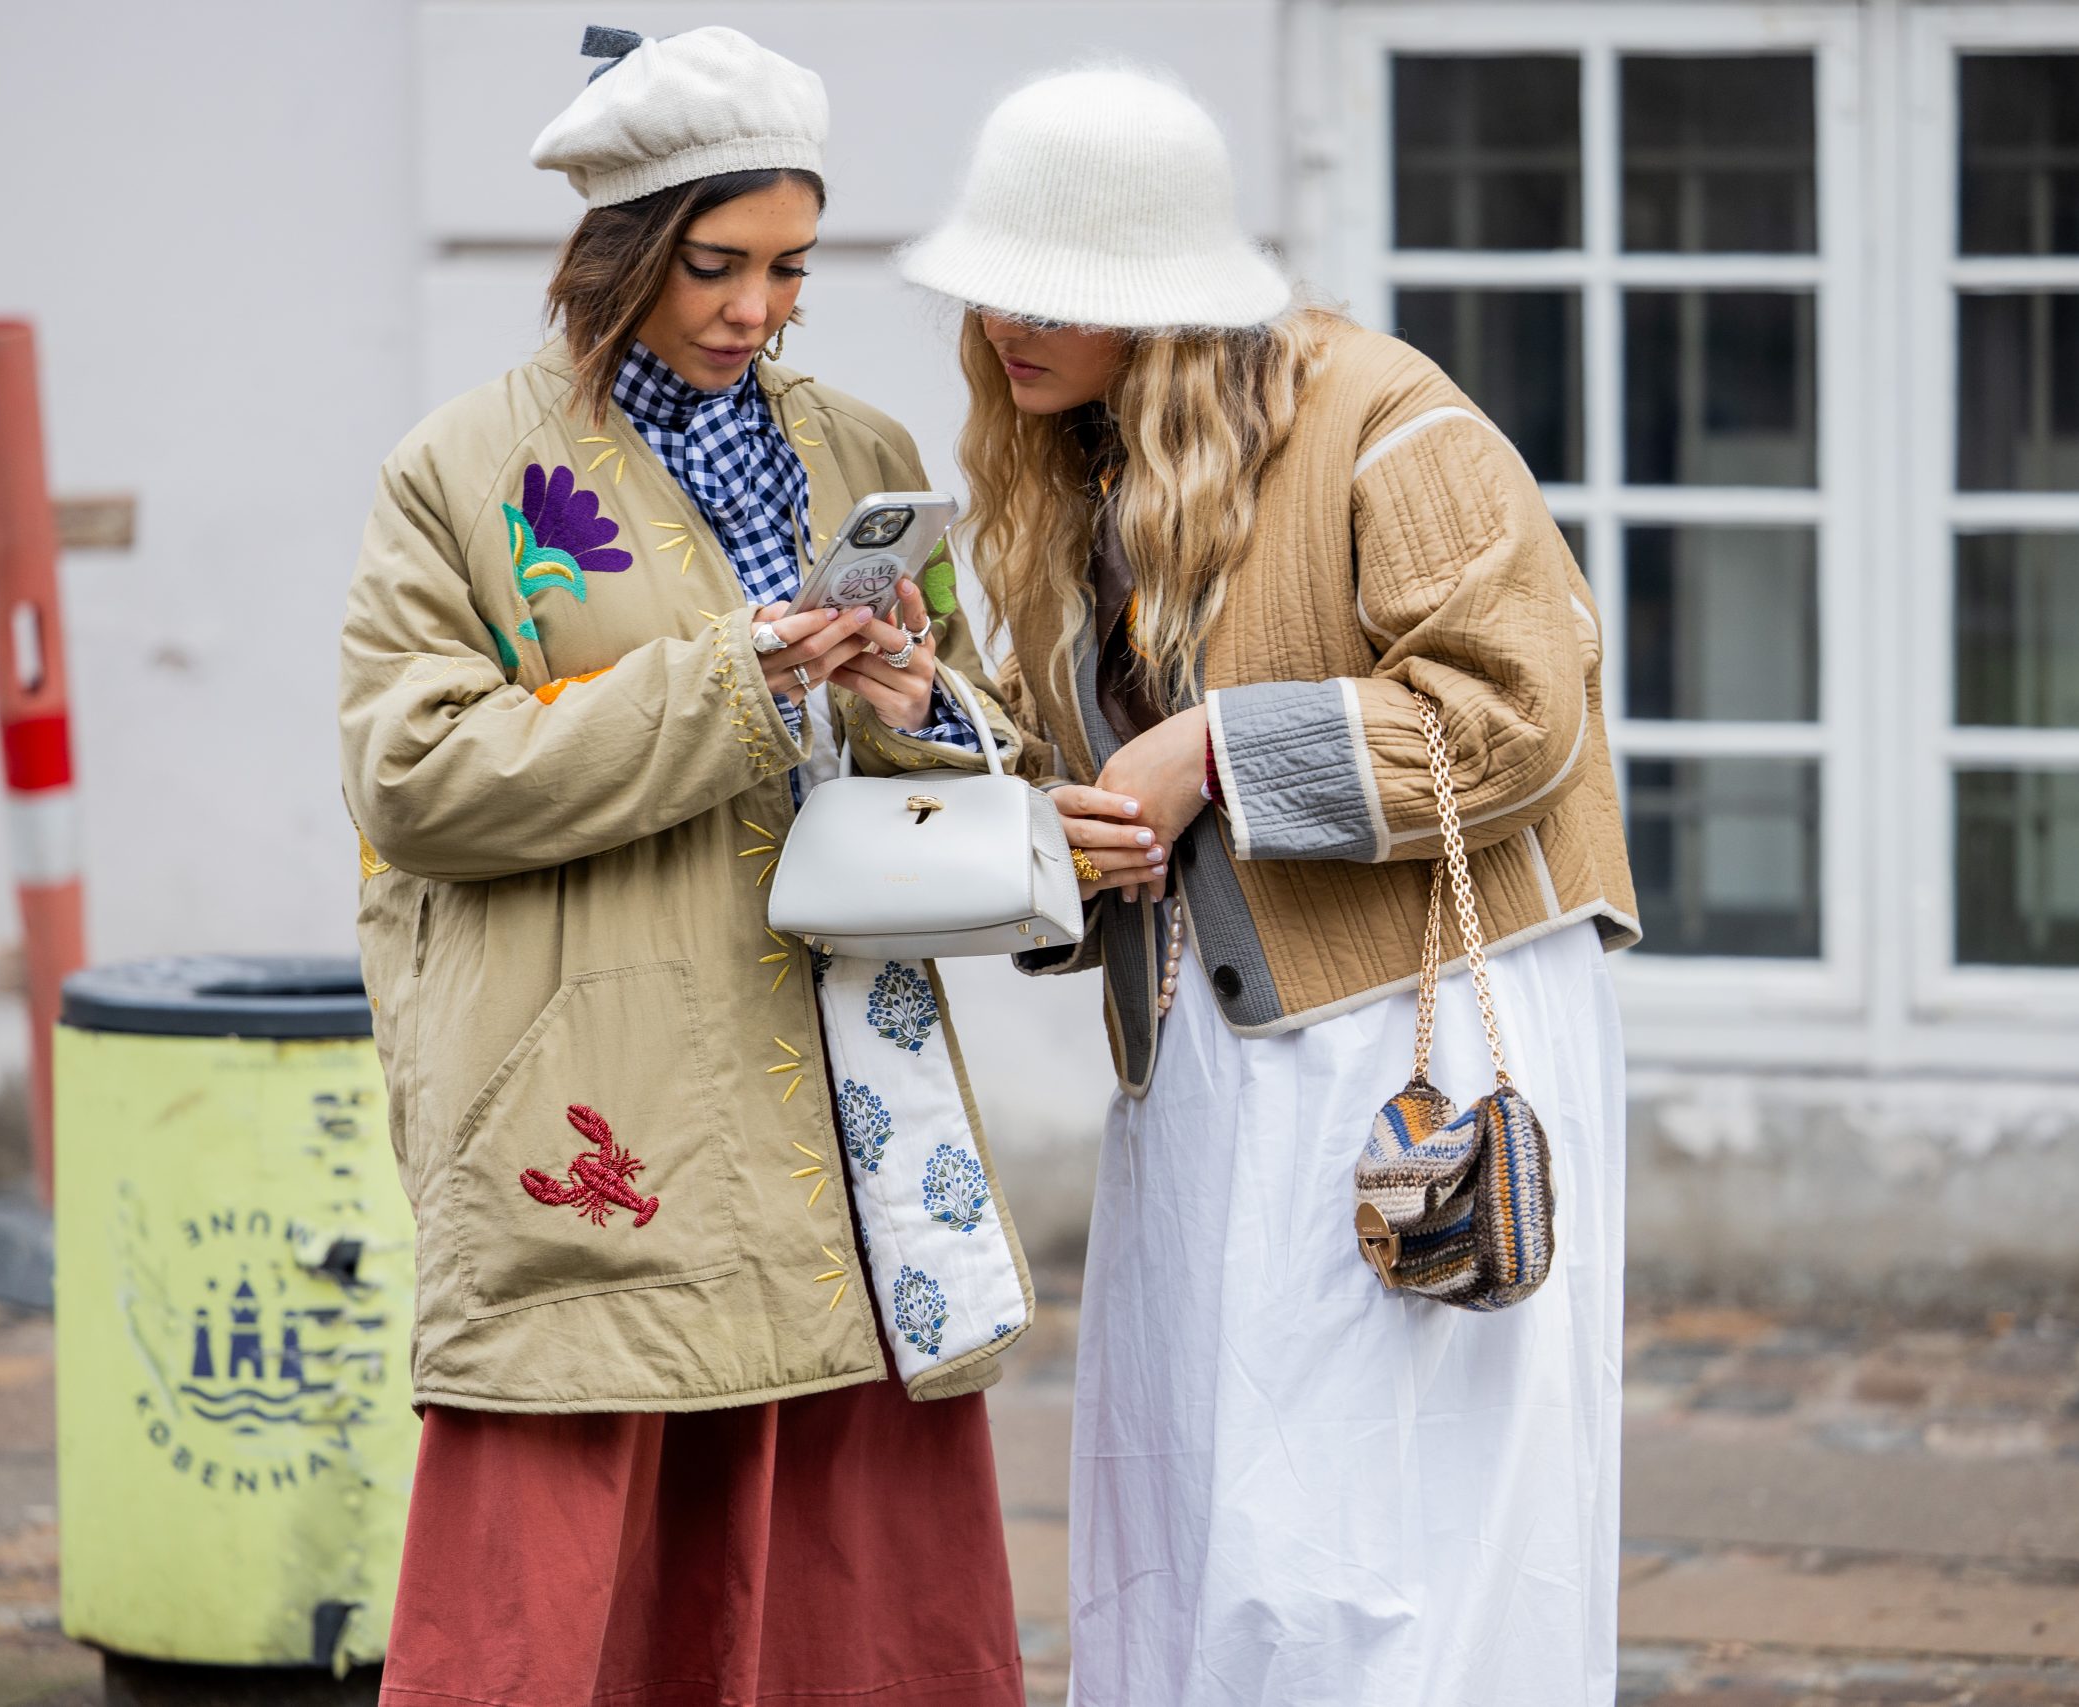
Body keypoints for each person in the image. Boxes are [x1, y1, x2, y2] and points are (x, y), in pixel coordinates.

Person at [901, 67, 1643, 1707]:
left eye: (1054, 290)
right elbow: (1083, 784)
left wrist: (1214, 753)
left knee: (1378, 1544)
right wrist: (1039, 808)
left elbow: (1516, 714)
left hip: (1414, 1041)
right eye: (991, 287)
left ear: (1150, 296)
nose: (1005, 325)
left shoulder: (1392, 419)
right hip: (1209, 1066)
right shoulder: (1076, 468)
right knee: (1210, 1512)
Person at [338, 27, 1033, 1707]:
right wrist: (729, 681)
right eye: (715, 264)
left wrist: (916, 700)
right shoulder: (468, 468)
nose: (755, 307)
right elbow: (414, 776)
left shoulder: (861, 451)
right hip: (593, 1073)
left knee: (852, 1571)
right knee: (553, 1553)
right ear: (619, 252)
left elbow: (967, 748)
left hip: (837, 1088)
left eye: (790, 265)